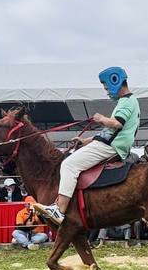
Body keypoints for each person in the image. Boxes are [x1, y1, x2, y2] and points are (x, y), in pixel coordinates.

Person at [34, 67, 141, 225]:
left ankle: (59, 210)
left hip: (110, 147)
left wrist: (101, 118)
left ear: (114, 81)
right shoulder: (129, 101)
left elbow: (117, 123)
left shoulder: (126, 102)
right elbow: (109, 132)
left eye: (106, 88)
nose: (106, 92)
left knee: (69, 165)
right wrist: (85, 141)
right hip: (110, 145)